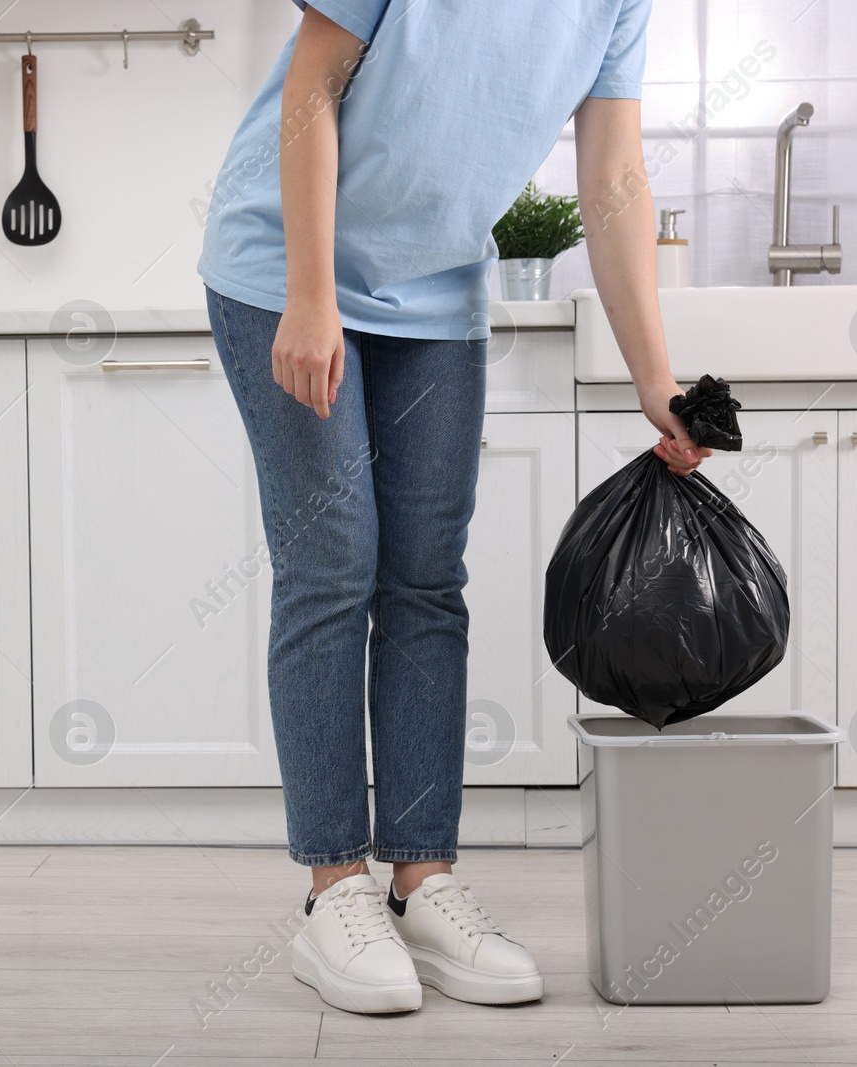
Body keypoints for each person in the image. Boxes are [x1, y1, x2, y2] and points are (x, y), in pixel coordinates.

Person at [197, 0, 709, 1015]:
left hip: (435, 296)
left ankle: (420, 877)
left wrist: (654, 377)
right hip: (282, 271)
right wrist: (308, 294)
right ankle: (333, 888)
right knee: (333, 566)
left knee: (427, 580)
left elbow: (611, 177)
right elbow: (311, 89)